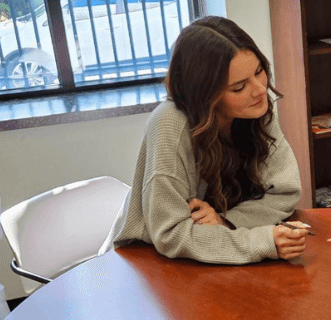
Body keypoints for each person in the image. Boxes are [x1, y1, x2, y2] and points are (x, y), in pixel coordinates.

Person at [99, 16, 308, 264]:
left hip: (213, 256)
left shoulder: (255, 107)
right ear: (206, 95)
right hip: (147, 263)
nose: (260, 90)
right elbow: (171, 233)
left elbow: (284, 192)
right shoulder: (169, 124)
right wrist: (262, 241)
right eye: (239, 87)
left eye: (259, 71)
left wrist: (226, 221)